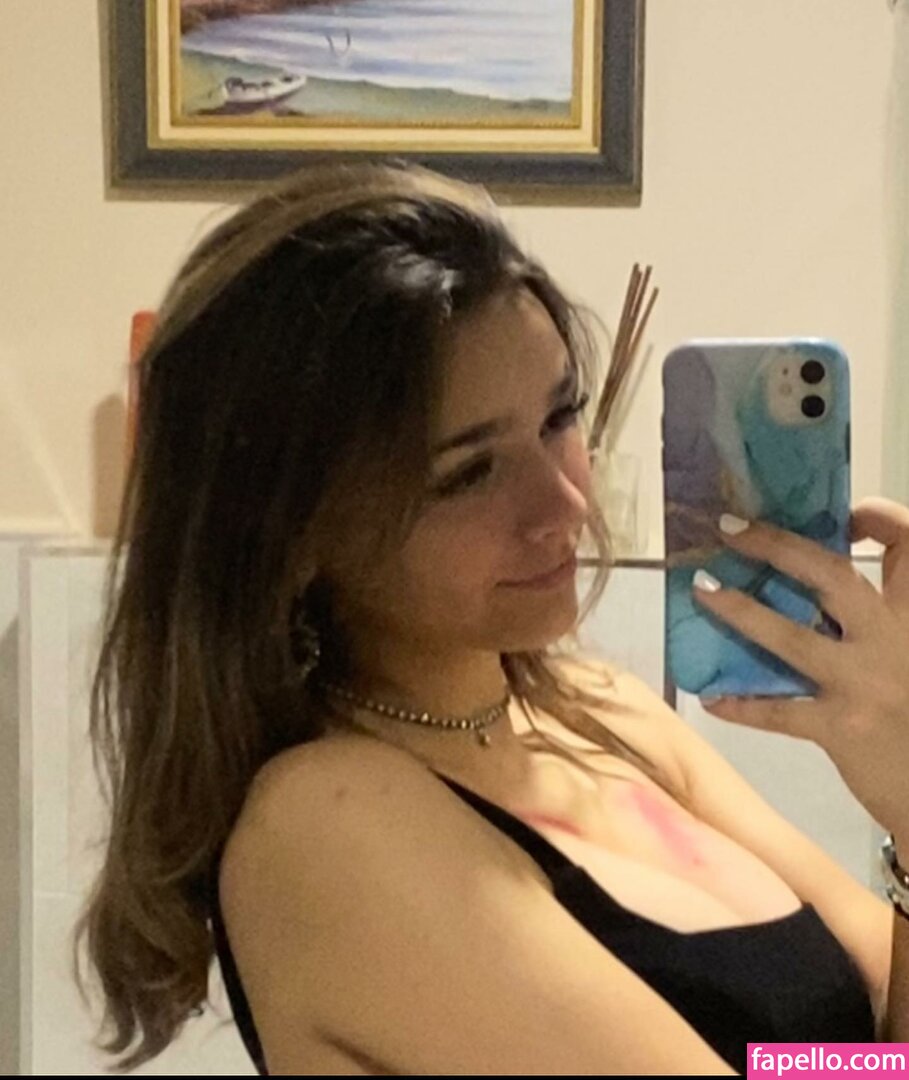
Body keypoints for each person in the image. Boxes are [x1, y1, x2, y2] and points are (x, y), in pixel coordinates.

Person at [72, 158, 908, 1076]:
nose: (563, 502)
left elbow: (869, 1051)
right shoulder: (327, 822)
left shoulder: (601, 714)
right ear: (294, 531)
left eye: (559, 418)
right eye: (468, 472)